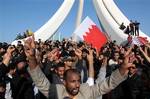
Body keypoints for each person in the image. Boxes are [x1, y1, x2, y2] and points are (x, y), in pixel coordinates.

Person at [24, 35, 136, 99]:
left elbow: (107, 84)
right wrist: (32, 59)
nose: (77, 84)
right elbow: (40, 81)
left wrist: (122, 69)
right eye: (73, 81)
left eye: (78, 81)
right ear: (64, 82)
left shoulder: (86, 91)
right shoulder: (56, 92)